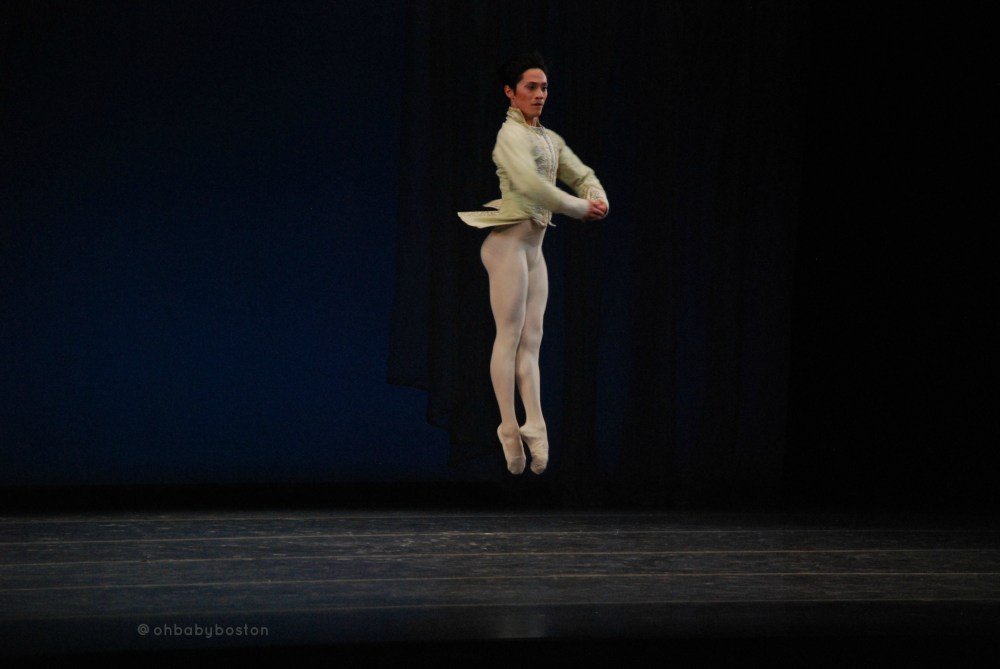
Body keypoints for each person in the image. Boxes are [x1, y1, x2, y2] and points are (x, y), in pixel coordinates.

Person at [458, 53, 609, 475]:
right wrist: (580, 209)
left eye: (543, 88)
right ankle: (508, 425)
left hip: (532, 250)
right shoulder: (510, 136)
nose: (540, 95)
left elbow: (578, 172)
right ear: (510, 92)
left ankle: (536, 422)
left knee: (533, 340)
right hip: (506, 247)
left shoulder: (547, 138)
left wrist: (596, 194)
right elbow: (533, 186)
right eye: (531, 87)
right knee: (508, 336)